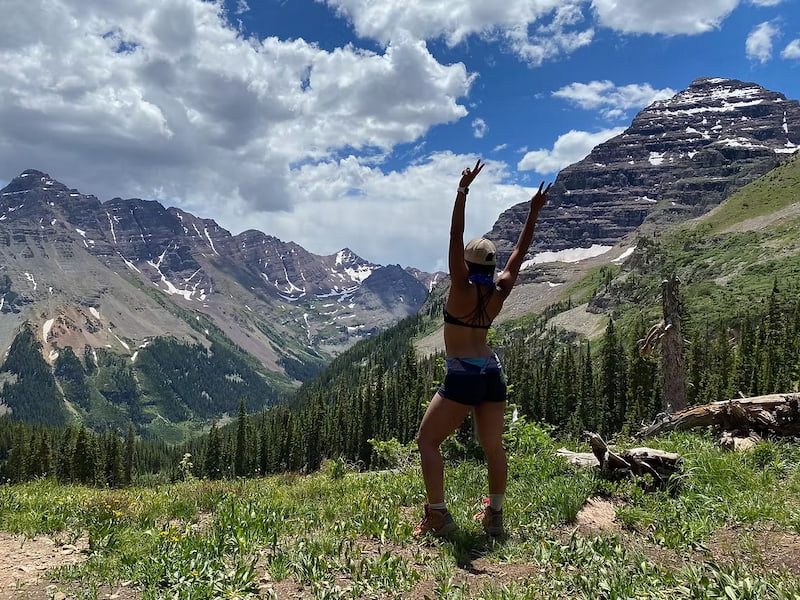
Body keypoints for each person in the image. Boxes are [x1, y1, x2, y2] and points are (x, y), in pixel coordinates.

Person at [414, 159, 551, 537]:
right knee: (494, 447)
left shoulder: (460, 289)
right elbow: (518, 255)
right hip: (493, 372)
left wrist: (462, 192)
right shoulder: (499, 291)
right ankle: (495, 516)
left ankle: (438, 515)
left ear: (465, 263)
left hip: (463, 374)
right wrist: (533, 212)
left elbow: (454, 237)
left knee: (428, 440)